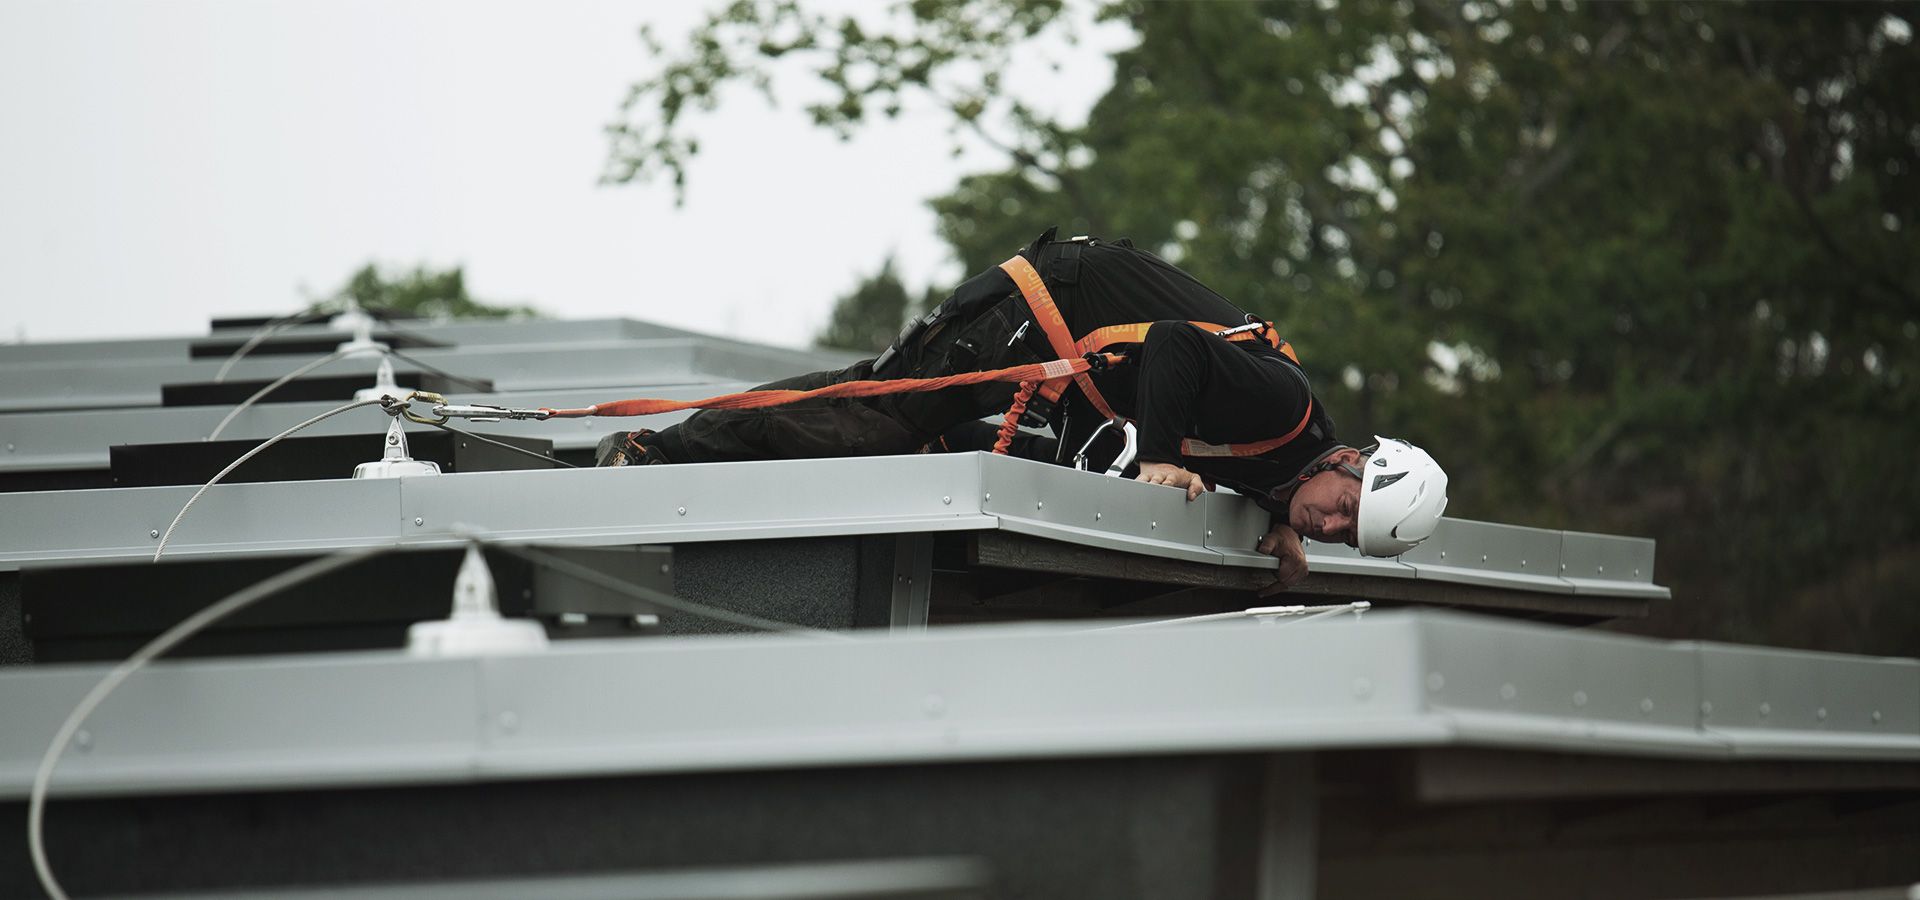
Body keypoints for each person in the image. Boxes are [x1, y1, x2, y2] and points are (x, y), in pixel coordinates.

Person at [597, 228, 1448, 590]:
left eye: (1345, 535)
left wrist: (1287, 525)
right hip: (1036, 310)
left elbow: (1268, 477)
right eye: (1343, 509)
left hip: (1056, 354)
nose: (1334, 525)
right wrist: (1159, 454)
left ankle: (675, 449)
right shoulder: (1285, 406)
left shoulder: (1294, 463)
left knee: (897, 425)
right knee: (873, 416)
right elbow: (1179, 350)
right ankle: (658, 454)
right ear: (1350, 463)